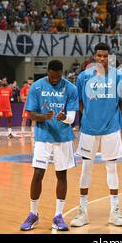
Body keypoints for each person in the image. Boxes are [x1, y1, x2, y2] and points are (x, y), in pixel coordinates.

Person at [71, 43, 122, 228]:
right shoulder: (83, 76)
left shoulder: (118, 76)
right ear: (94, 57)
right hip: (88, 129)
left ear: (110, 57)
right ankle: (83, 212)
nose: (102, 59)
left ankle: (115, 211)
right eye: (99, 56)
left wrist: (111, 114)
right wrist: (89, 114)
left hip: (111, 129)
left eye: (105, 56)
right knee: (86, 168)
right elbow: (79, 101)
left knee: (112, 169)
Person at [20, 60, 79, 231]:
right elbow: (30, 114)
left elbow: (72, 118)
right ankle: (33, 214)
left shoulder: (70, 88)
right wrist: (44, 117)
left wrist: (63, 118)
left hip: (63, 137)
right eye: (52, 77)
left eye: (58, 77)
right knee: (38, 174)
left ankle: (58, 216)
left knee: (62, 175)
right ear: (47, 72)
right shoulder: (37, 87)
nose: (55, 80)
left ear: (62, 73)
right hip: (43, 137)